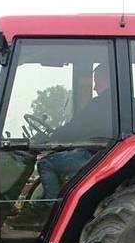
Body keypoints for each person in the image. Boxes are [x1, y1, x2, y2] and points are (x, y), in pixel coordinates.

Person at [36, 64, 114, 199]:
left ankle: (49, 204)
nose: (95, 88)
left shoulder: (99, 105)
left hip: (94, 155)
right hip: (106, 153)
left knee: (45, 163)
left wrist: (52, 137)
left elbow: (75, 128)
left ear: (107, 79)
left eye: (97, 82)